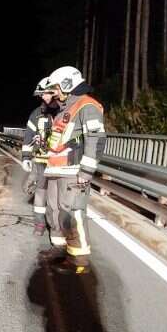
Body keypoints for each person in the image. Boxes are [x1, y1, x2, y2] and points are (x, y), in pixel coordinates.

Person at [43, 66, 106, 275]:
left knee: (72, 214)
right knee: (56, 211)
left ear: (68, 84)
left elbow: (95, 140)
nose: (55, 92)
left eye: (57, 88)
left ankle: (79, 259)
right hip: (56, 170)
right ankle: (61, 249)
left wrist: (86, 172)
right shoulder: (65, 107)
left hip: (73, 171)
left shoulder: (87, 105)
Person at [22, 78, 61, 244]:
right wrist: (25, 157)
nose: (43, 97)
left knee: (56, 199)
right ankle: (39, 224)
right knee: (40, 194)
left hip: (59, 163)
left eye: (46, 93)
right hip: (40, 161)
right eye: (41, 94)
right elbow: (28, 136)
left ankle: (56, 227)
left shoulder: (64, 112)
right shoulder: (36, 114)